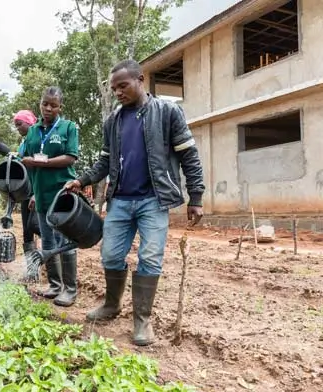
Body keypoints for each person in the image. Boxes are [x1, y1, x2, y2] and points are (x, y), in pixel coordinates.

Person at [64, 59, 205, 345]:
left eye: (123, 86)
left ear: (140, 80)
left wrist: (196, 196)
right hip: (121, 201)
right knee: (111, 256)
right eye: (114, 88)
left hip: (154, 200)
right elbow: (104, 161)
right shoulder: (113, 121)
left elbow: (189, 155)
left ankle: (142, 320)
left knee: (150, 258)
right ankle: (112, 305)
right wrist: (83, 180)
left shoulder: (167, 112)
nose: (118, 92)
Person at [21, 86, 80, 307]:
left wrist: (39, 162)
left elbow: (70, 157)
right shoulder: (33, 131)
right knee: (47, 240)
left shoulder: (68, 127)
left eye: (53, 105)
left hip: (62, 193)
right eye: (45, 103)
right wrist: (34, 193)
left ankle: (70, 290)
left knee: (65, 241)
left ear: (60, 107)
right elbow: (25, 156)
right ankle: (55, 285)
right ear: (40, 104)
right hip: (42, 194)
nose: (48, 108)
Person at [13, 109, 40, 281]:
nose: (17, 128)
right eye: (15, 125)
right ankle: (32, 270)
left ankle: (55, 274)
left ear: (29, 122)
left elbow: (41, 164)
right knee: (27, 231)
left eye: (19, 124)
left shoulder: (38, 139)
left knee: (42, 229)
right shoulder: (23, 144)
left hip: (38, 193)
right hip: (25, 194)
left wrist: (37, 193)